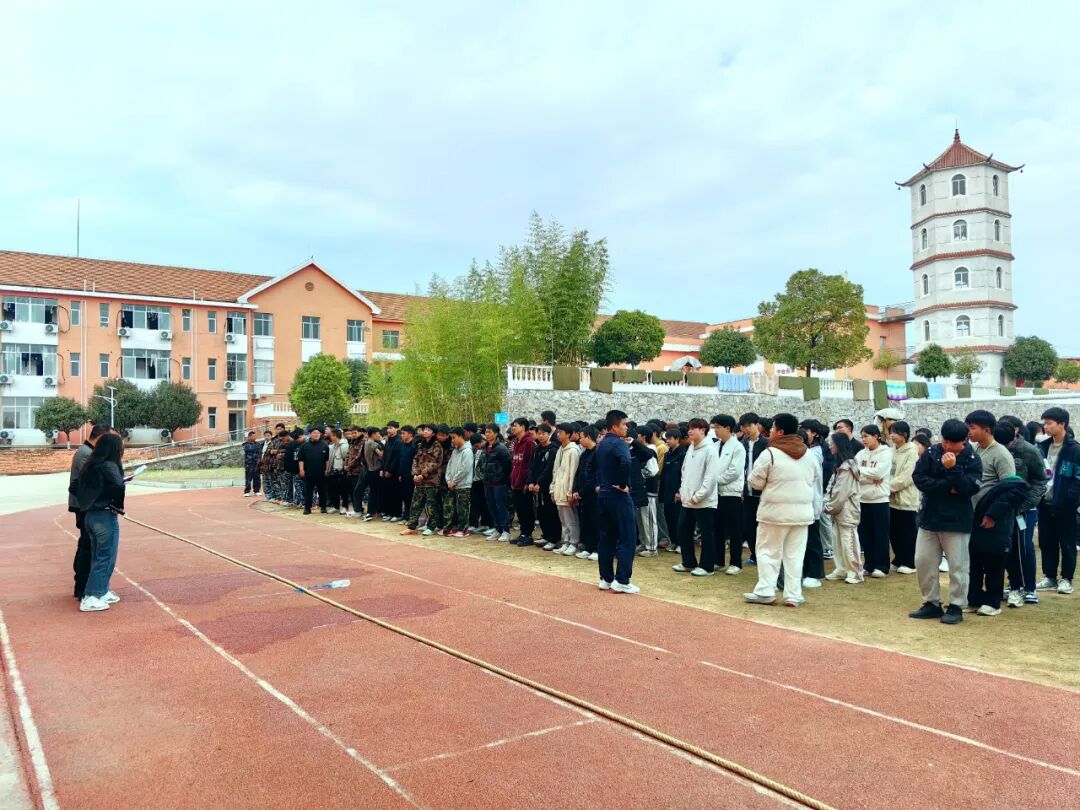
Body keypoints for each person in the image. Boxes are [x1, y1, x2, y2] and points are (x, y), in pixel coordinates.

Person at [910, 418, 983, 625]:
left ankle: (956, 606)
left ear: (965, 440)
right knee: (923, 562)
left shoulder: (972, 459)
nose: (948, 446)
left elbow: (969, 488)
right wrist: (947, 487)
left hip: (957, 520)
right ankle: (931, 602)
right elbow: (919, 478)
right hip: (929, 517)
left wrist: (953, 469)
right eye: (945, 441)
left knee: (958, 566)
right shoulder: (932, 452)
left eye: (953, 442)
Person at [744, 413, 818, 607]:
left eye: (773, 428)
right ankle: (793, 594)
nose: (770, 431)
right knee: (795, 555)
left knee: (768, 552)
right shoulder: (808, 454)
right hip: (801, 514)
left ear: (780, 431)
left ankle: (765, 591)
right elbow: (814, 478)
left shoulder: (770, 453)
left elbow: (755, 481)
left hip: (774, 513)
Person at [75, 433, 127, 612]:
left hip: (90, 515)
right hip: (104, 516)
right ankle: (91, 596)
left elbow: (74, 486)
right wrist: (117, 505)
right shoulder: (109, 465)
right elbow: (118, 485)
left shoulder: (90, 465)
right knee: (106, 556)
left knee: (99, 555)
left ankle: (101, 590)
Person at [996, 420, 1046, 607]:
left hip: (1024, 509)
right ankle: (1014, 585)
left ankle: (1029, 588)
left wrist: (1025, 504)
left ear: (1016, 431)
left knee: (1024, 548)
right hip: (1002, 509)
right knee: (1006, 548)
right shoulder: (995, 449)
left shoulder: (1029, 451)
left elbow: (1040, 480)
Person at [968, 471, 1029, 616]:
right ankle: (975, 599)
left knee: (994, 567)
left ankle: (993, 603)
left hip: (997, 536)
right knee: (975, 566)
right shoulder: (999, 490)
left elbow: (1008, 501)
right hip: (980, 531)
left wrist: (992, 515)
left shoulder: (1014, 488)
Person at [1036, 407, 1080, 595]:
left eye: (1049, 423)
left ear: (1062, 424)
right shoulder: (1042, 447)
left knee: (1067, 543)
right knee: (1046, 541)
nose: (1045, 427)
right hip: (1044, 502)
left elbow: (1078, 478)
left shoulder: (1074, 450)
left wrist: (1069, 499)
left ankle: (1066, 579)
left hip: (1065, 505)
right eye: (1044, 423)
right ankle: (1049, 577)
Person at [596, 410, 639, 593]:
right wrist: (622, 484)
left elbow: (596, 467)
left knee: (607, 537)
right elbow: (626, 462)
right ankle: (622, 580)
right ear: (614, 426)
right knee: (627, 537)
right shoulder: (618, 444)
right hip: (618, 496)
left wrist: (601, 484)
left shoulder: (601, 444)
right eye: (624, 424)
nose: (626, 427)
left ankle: (606, 578)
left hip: (604, 494)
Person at [68, 424, 112, 599]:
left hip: (86, 505)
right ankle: (83, 587)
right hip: (85, 506)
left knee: (87, 545)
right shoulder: (86, 454)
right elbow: (92, 482)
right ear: (100, 437)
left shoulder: (88, 452)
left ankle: (84, 585)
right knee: (88, 547)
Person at [673, 417, 721, 576]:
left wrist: (698, 496)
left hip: (704, 501)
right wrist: (683, 491)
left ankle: (707, 566)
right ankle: (688, 562)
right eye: (689, 428)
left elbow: (711, 477)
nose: (690, 431)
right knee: (682, 530)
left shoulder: (710, 450)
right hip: (688, 500)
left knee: (707, 534)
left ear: (703, 430)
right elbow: (684, 472)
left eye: (693, 428)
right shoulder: (691, 448)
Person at [707, 415, 746, 574]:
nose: (715, 430)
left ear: (728, 428)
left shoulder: (738, 447)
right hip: (716, 493)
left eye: (718, 427)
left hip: (731, 493)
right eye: (714, 427)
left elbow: (734, 471)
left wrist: (714, 480)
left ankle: (736, 563)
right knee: (717, 528)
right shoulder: (715, 446)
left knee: (734, 529)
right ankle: (718, 560)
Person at [824, 433, 863, 584]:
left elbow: (841, 493)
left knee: (848, 541)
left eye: (832, 443)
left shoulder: (847, 468)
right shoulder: (841, 466)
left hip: (846, 510)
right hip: (838, 510)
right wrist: (829, 504)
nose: (830, 446)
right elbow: (833, 488)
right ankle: (841, 569)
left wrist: (829, 506)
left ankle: (855, 572)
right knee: (837, 541)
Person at [855, 425, 892, 578]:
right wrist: (870, 477)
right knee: (865, 534)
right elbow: (855, 473)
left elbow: (879, 473)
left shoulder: (886, 453)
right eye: (862, 436)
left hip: (879, 500)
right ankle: (869, 565)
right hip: (862, 499)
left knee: (880, 534)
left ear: (876, 436)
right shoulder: (860, 454)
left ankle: (882, 566)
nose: (863, 439)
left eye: (866, 436)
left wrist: (864, 474)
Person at [888, 421, 919, 574]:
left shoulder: (912, 451)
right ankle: (898, 558)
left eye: (895, 432)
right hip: (890, 497)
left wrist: (888, 488)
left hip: (906, 498)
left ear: (904, 434)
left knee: (907, 532)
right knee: (894, 531)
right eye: (891, 432)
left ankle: (909, 562)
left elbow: (908, 475)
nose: (892, 435)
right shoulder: (892, 450)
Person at [966, 410, 1016, 506]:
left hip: (988, 510)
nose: (968, 432)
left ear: (986, 430)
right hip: (971, 509)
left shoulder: (1002, 454)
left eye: (972, 428)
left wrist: (994, 512)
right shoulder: (973, 449)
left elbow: (1009, 488)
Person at [739, 412, 769, 565]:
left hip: (762, 492)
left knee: (762, 526)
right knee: (748, 525)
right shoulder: (742, 444)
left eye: (749, 425)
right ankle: (754, 554)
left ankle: (763, 555)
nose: (747, 429)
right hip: (746, 492)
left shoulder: (766, 444)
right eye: (744, 426)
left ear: (757, 425)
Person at [402, 425, 444, 536]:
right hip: (419, 481)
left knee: (431, 505)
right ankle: (412, 527)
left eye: (428, 430)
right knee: (415, 504)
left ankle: (431, 527)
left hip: (431, 480)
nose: (425, 431)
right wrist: (415, 474)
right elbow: (415, 459)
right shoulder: (421, 445)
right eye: (425, 429)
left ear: (433, 433)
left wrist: (423, 475)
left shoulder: (437, 446)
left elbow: (435, 463)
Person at [551, 423, 582, 555]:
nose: (558, 435)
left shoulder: (573, 451)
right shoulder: (560, 449)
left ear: (568, 434)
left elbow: (573, 473)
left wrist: (570, 492)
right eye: (557, 432)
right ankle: (566, 541)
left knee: (571, 519)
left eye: (561, 432)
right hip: (559, 489)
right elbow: (555, 471)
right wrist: (552, 489)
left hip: (567, 490)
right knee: (563, 519)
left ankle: (574, 542)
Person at [629, 428, 659, 557]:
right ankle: (644, 543)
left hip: (648, 490)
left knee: (649, 519)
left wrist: (639, 476)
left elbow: (653, 471)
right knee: (640, 520)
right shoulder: (634, 451)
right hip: (638, 491)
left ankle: (652, 547)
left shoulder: (649, 451)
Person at [530, 424, 561, 549]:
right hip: (537, 487)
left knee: (551, 512)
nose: (541, 436)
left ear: (549, 434)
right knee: (541, 512)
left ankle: (554, 538)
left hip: (548, 486)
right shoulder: (537, 449)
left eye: (544, 433)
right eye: (539, 433)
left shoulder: (553, 450)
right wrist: (531, 482)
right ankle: (546, 535)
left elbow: (549, 469)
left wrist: (539, 483)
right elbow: (533, 467)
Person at [572, 427, 600, 560]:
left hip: (594, 494)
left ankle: (597, 549)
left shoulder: (598, 453)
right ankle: (588, 547)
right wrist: (575, 490)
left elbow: (594, 477)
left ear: (589, 437)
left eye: (581, 437)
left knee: (596, 521)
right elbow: (578, 474)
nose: (579, 440)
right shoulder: (584, 454)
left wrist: (582, 491)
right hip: (583, 495)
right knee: (586, 521)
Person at [482, 424, 512, 542]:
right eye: (486, 432)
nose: (487, 434)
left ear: (495, 433)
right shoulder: (485, 447)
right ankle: (497, 529)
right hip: (488, 482)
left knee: (501, 506)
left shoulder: (501, 448)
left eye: (489, 432)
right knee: (491, 506)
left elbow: (508, 466)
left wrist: (503, 479)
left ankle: (506, 531)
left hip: (499, 483)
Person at [509, 418, 537, 544]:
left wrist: (528, 481)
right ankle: (522, 533)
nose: (513, 428)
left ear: (523, 427)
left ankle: (528, 534)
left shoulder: (529, 443)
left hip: (525, 483)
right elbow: (515, 462)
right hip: (515, 482)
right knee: (519, 510)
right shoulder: (516, 442)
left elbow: (532, 464)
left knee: (527, 509)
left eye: (515, 426)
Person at [658, 428, 686, 551]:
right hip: (667, 491)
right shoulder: (667, 454)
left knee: (678, 518)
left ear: (677, 439)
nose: (667, 441)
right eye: (666, 439)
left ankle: (681, 543)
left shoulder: (683, 454)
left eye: (669, 439)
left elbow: (684, 475)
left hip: (678, 492)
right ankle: (673, 541)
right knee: (669, 517)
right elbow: (664, 474)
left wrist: (680, 491)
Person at [444, 427, 474, 537]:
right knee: (451, 507)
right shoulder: (455, 451)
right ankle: (452, 528)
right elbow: (449, 466)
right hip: (452, 484)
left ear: (461, 436)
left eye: (454, 437)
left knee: (462, 508)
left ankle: (464, 529)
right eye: (451, 438)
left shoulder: (467, 451)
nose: (452, 440)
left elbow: (464, 469)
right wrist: (448, 480)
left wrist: (454, 481)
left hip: (463, 485)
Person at [298, 427, 330, 514]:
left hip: (321, 472)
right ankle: (307, 508)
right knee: (308, 491)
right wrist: (301, 470)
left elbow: (327, 460)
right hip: (308, 472)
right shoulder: (304, 446)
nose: (316, 435)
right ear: (310, 434)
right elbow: (301, 460)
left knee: (322, 490)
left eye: (318, 433)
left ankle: (323, 507)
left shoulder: (324, 445)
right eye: (314, 433)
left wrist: (327, 469)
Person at [467, 433, 491, 533]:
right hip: (474, 480)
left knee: (485, 503)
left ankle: (487, 524)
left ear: (482, 441)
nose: (477, 447)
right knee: (475, 503)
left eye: (478, 445)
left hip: (483, 480)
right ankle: (474, 523)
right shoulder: (473, 450)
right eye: (475, 446)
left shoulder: (487, 450)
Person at [325, 427, 350, 514]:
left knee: (343, 490)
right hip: (333, 471)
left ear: (336, 436)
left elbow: (346, 458)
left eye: (332, 435)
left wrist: (344, 468)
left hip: (342, 471)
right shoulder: (332, 446)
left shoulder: (344, 446)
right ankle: (336, 506)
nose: (330, 437)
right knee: (333, 490)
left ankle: (345, 507)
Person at [362, 427, 385, 520]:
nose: (379, 435)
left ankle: (373, 511)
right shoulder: (372, 443)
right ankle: (372, 511)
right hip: (375, 470)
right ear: (373, 434)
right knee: (375, 492)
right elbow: (381, 455)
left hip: (370, 469)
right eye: (378, 434)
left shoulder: (367, 442)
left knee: (374, 491)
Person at [397, 425, 417, 519]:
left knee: (411, 496)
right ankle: (405, 514)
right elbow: (400, 460)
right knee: (404, 495)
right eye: (401, 433)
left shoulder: (414, 446)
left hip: (411, 474)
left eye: (403, 433)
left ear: (410, 434)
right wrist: (400, 473)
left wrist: (414, 474)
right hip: (403, 474)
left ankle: (410, 515)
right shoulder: (402, 445)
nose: (402, 435)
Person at [242, 430, 262, 497]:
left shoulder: (258, 444)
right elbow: (247, 450)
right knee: (248, 478)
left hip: (257, 464)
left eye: (255, 436)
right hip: (249, 464)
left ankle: (257, 491)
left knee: (257, 478)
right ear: (249, 437)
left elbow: (260, 452)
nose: (255, 437)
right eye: (253, 436)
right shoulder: (245, 444)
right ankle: (247, 491)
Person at [258, 429, 275, 500]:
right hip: (263, 466)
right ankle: (267, 496)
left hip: (270, 465)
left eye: (268, 436)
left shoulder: (273, 444)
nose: (267, 437)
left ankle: (272, 496)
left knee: (271, 481)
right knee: (265, 482)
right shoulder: (262, 444)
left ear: (271, 436)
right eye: (265, 436)